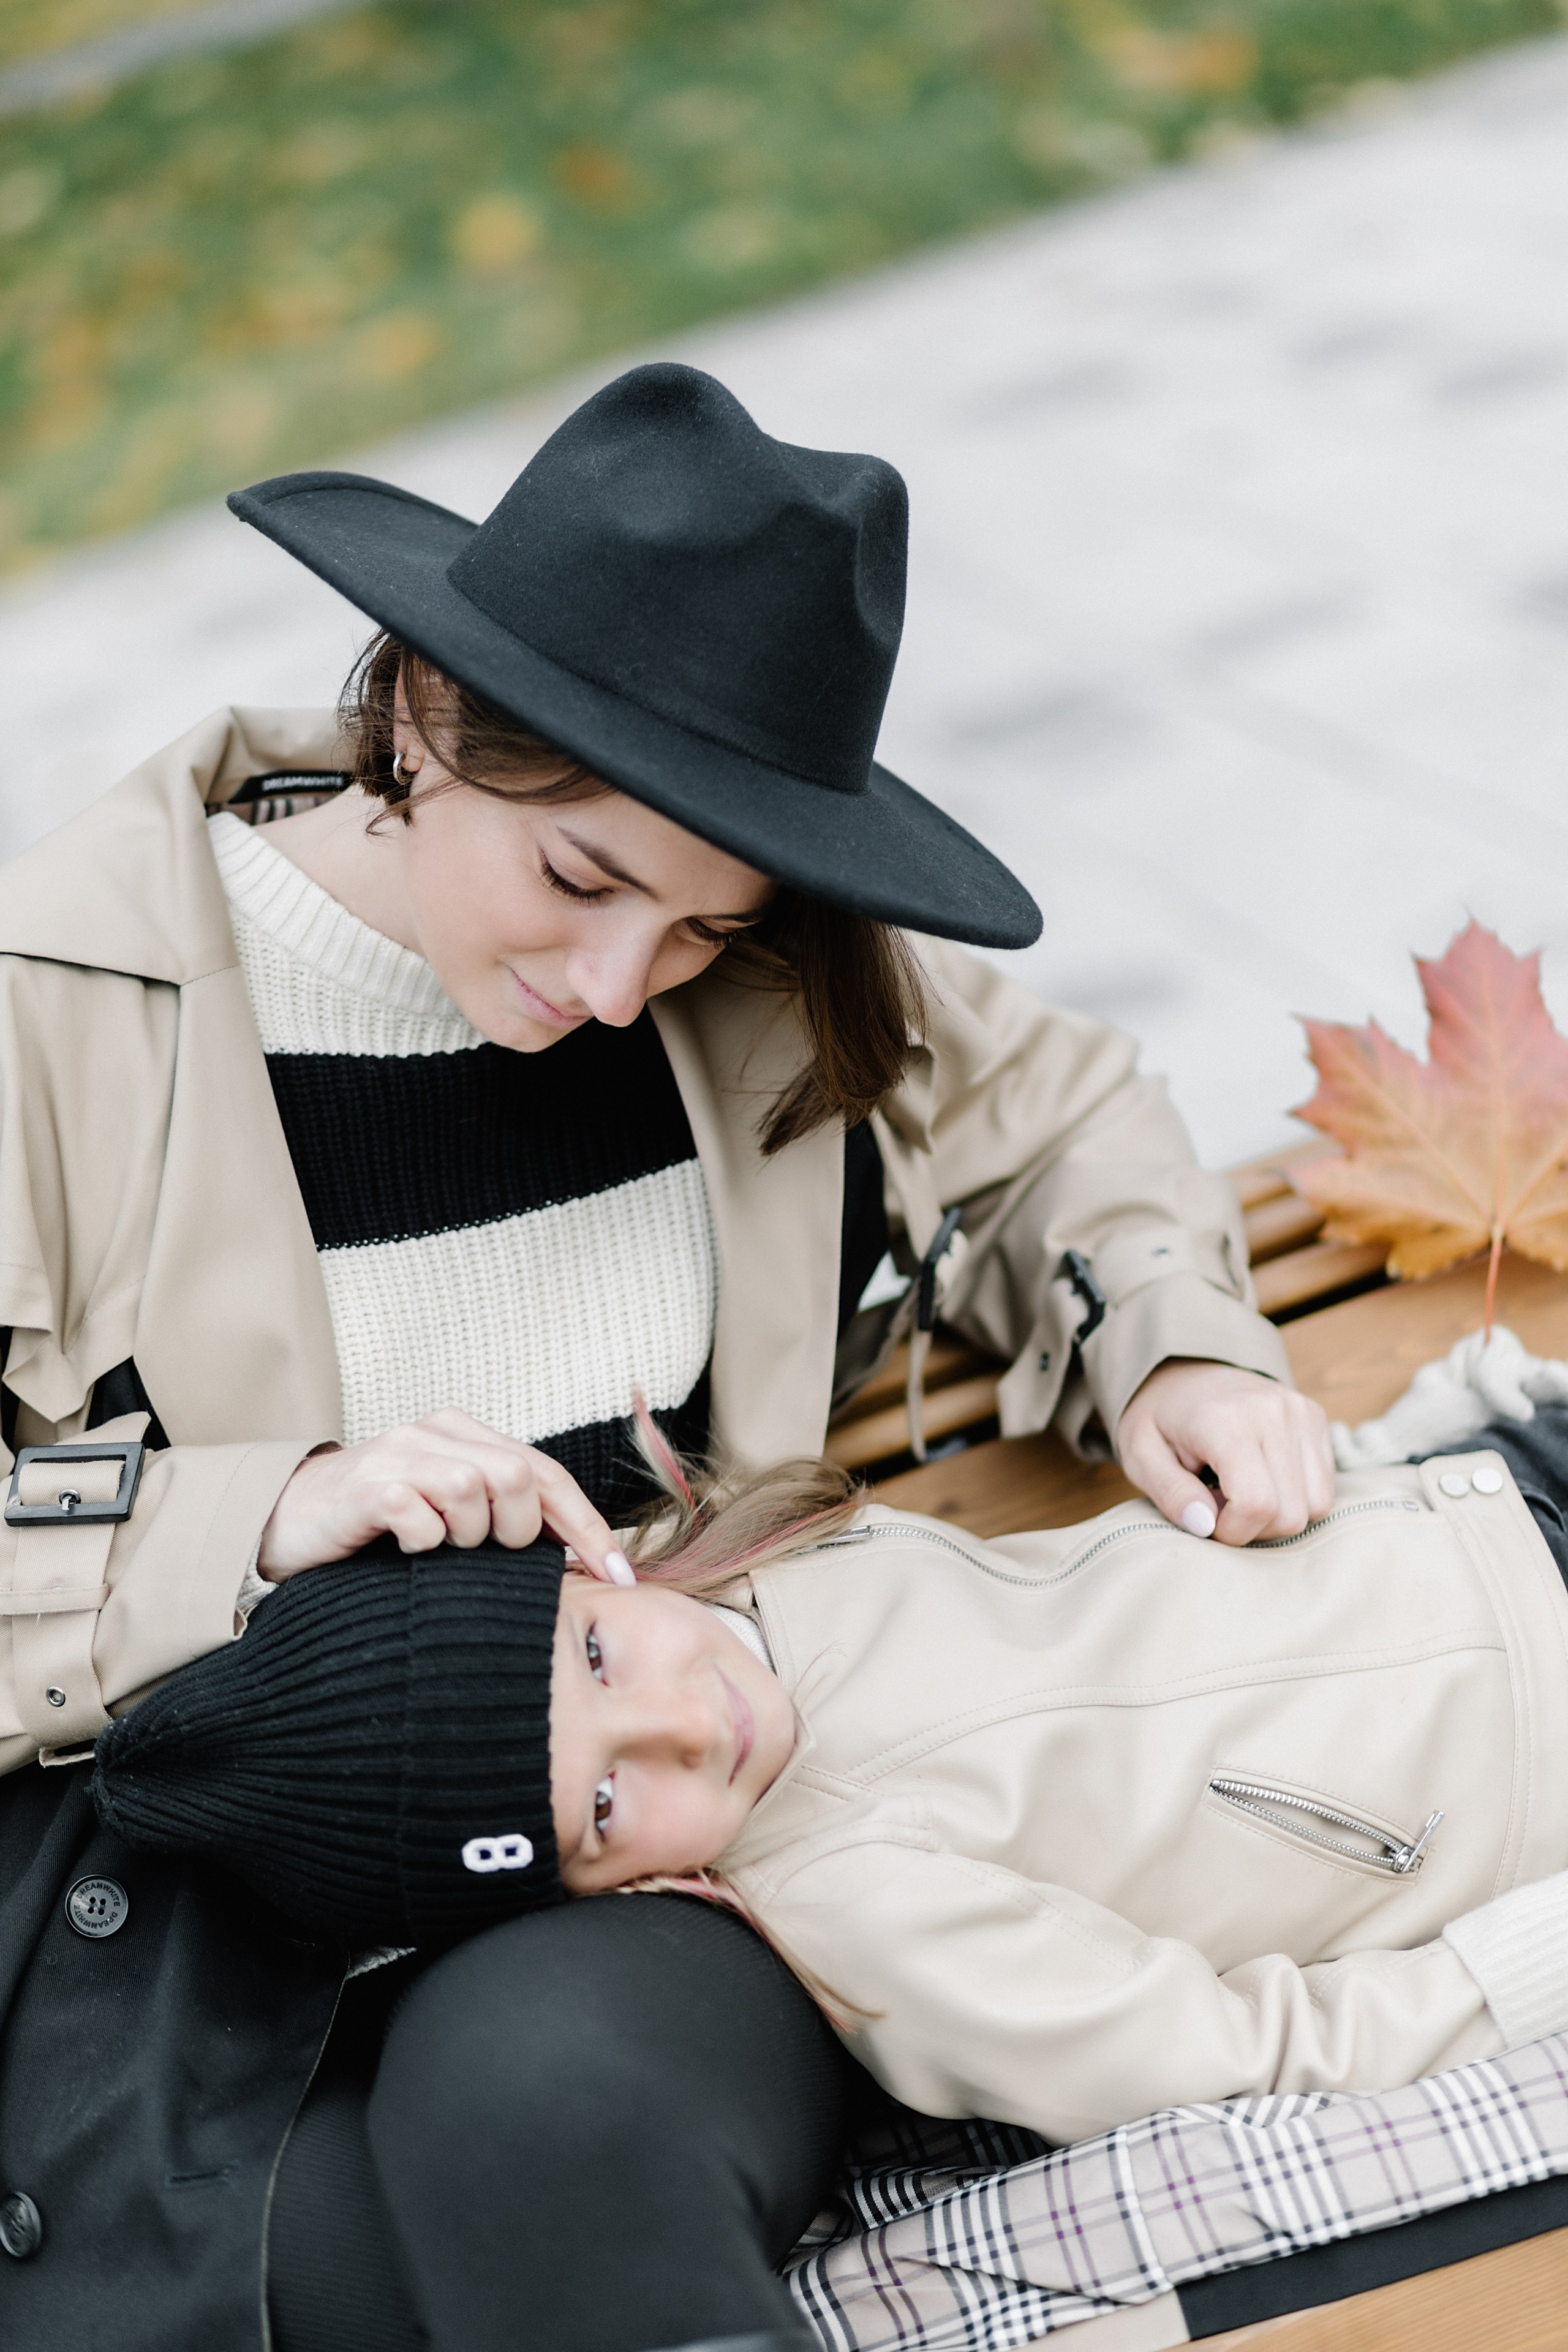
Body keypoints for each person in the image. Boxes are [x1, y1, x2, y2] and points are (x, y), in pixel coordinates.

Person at [0, 363, 1327, 2350]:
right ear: (423, 719)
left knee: (543, 2114)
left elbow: (1059, 1120)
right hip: (226, 1904)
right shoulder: (56, 1014)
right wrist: (259, 1517)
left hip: (684, 1824)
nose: (618, 987)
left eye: (702, 928)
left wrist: (1173, 1349)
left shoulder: (769, 971)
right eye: (582, 880)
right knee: (283, 2275)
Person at [98, 1401, 1568, 2160]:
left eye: (598, 1657)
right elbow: (1227, 2058)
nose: (682, 1725)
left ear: (585, 1569)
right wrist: (1510, 1967)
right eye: (604, 1804)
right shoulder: (866, 1916)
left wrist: (1388, 1470)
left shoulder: (758, 1569)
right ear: (605, 1897)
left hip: (1490, 1497)